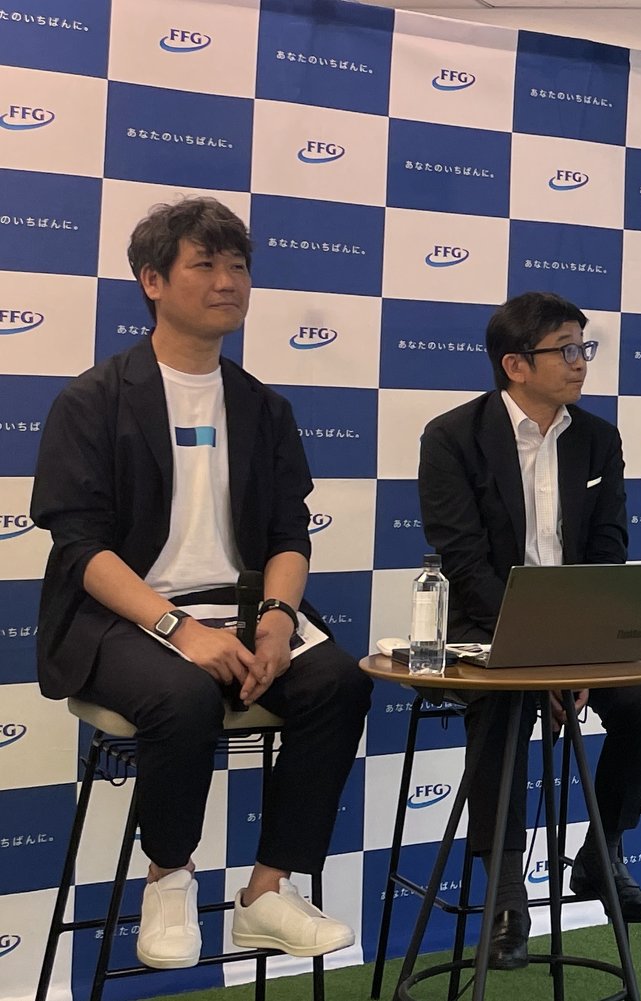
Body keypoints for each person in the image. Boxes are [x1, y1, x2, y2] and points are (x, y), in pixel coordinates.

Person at [30, 197, 369, 969]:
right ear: (153, 280)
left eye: (238, 265)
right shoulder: (93, 399)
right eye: (205, 264)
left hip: (243, 608)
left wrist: (277, 619)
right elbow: (81, 548)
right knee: (183, 694)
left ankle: (268, 892)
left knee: (339, 682)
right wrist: (179, 630)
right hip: (124, 615)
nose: (228, 282)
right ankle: (169, 876)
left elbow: (288, 535)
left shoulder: (262, 406)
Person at [417, 292, 641, 969]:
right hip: (486, 627)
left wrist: (577, 655)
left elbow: (609, 549)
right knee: (501, 711)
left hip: (579, 631)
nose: (580, 361)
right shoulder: (451, 438)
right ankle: (506, 897)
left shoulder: (597, 438)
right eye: (566, 349)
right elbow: (464, 562)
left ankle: (601, 853)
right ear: (515, 364)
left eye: (584, 347)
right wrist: (540, 658)